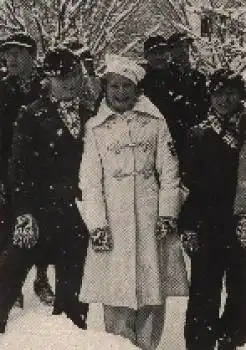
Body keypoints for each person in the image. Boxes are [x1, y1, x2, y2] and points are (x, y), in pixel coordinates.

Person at [78, 55, 189, 350]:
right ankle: (119, 345)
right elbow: (89, 181)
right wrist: (97, 224)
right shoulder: (95, 128)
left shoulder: (156, 124)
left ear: (137, 89)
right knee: (116, 292)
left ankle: (149, 345)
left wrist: (168, 213)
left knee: (153, 290)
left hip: (152, 221)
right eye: (115, 85)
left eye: (127, 85)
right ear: (106, 88)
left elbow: (170, 172)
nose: (120, 92)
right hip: (113, 222)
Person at [0, 46, 90, 333]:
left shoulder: (92, 115)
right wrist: (24, 213)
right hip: (37, 215)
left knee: (72, 301)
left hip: (77, 217)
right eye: (59, 76)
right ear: (48, 79)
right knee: (7, 281)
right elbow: (19, 168)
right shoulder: (32, 114)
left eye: (72, 74)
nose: (66, 82)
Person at [181, 69, 246, 350]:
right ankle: (200, 343)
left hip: (241, 222)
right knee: (203, 292)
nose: (224, 100)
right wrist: (188, 226)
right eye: (218, 93)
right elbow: (186, 185)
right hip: (206, 224)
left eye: (230, 92)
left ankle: (230, 338)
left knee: (242, 290)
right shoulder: (197, 134)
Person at [0, 32, 54, 307]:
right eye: (8, 53)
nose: (11, 59)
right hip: (8, 169)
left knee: (43, 225)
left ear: (33, 56)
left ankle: (42, 277)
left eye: (18, 53)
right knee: (8, 226)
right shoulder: (2, 90)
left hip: (44, 170)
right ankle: (12, 284)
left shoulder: (47, 88)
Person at [142, 33, 208, 183]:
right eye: (155, 53)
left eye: (163, 52)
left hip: (185, 145)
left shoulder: (183, 76)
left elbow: (198, 108)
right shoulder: (142, 82)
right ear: (147, 56)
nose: (160, 57)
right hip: (155, 147)